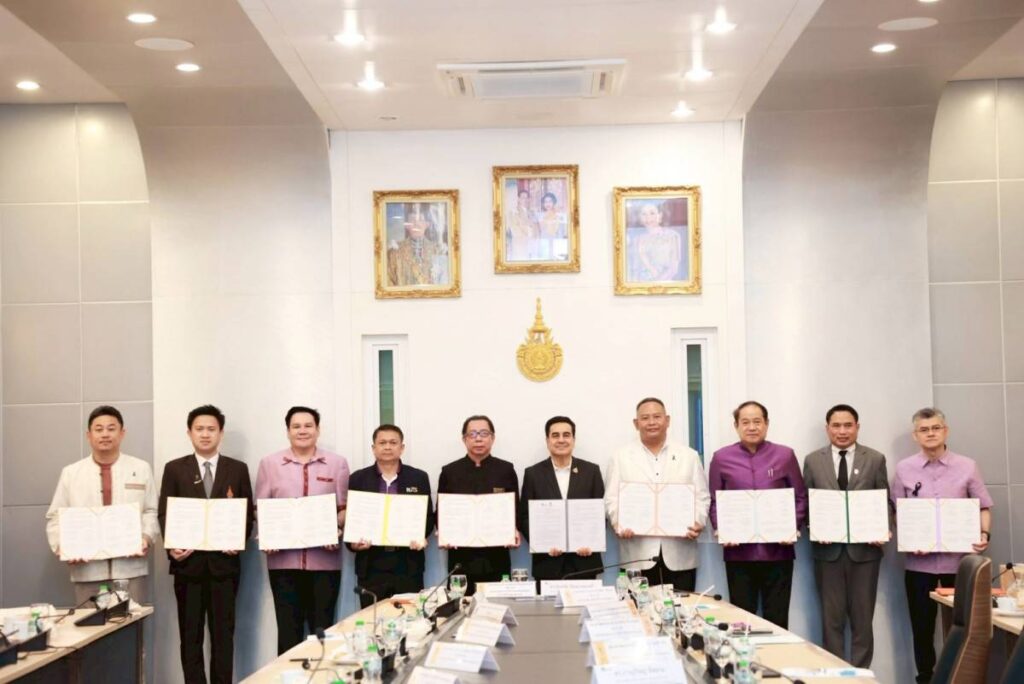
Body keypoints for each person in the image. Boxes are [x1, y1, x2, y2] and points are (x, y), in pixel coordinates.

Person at [892, 407, 992, 684]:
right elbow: (898, 511)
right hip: (919, 564)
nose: (930, 434)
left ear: (945, 431)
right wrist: (911, 538)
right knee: (921, 629)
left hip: (959, 564)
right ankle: (925, 678)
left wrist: (984, 533)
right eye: (924, 430)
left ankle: (959, 678)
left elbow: (983, 506)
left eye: (936, 428)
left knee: (961, 630)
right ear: (915, 435)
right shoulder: (904, 468)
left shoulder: (967, 466)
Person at [158, 405, 254, 684]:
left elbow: (247, 513)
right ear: (189, 433)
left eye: (211, 429)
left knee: (224, 636)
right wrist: (171, 547)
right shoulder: (174, 469)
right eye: (199, 429)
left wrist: (238, 541)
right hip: (188, 565)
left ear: (220, 433)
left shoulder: (237, 469)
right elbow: (165, 513)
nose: (205, 434)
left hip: (225, 566)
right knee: (190, 637)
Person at [255, 406, 349, 654]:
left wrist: (335, 528)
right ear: (288, 431)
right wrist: (268, 536)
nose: (302, 431)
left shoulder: (337, 464)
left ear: (318, 430)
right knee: (288, 634)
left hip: (325, 562)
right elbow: (261, 509)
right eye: (296, 426)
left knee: (323, 633)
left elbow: (344, 509)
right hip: (283, 563)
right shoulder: (269, 464)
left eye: (308, 425)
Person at [802, 404, 890, 668]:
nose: (842, 431)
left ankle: (860, 675)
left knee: (863, 620)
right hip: (827, 552)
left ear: (857, 427)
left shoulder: (875, 459)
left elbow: (883, 500)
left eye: (848, 425)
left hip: (865, 552)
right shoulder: (812, 460)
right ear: (827, 428)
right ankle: (835, 673)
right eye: (836, 426)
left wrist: (882, 528)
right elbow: (807, 502)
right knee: (831, 621)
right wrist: (814, 527)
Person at [45, 405, 160, 603]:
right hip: (86, 569)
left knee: (131, 621)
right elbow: (55, 516)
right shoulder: (71, 473)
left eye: (111, 428)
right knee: (90, 622)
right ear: (89, 435)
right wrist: (64, 546)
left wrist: (146, 537)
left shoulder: (141, 468)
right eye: (99, 429)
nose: (105, 434)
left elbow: (151, 510)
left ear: (122, 433)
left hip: (130, 569)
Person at [708, 400, 807, 628]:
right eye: (745, 422)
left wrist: (792, 527)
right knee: (742, 619)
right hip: (738, 553)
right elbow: (714, 501)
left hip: (778, 551)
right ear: (736, 426)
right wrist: (721, 529)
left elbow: (800, 497)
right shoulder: (721, 458)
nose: (752, 427)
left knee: (777, 618)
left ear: (766, 424)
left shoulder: (785, 455)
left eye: (757, 421)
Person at [604, 398, 710, 591]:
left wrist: (698, 522)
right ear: (636, 423)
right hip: (637, 554)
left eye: (657, 417)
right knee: (638, 608)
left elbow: (701, 497)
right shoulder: (620, 457)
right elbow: (612, 499)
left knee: (682, 608)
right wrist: (619, 523)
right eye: (645, 418)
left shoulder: (689, 456)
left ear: (667, 420)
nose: (651, 422)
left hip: (680, 553)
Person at [347, 424, 434, 607]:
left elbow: (427, 517)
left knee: (409, 618)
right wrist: (353, 544)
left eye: (393, 443)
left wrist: (420, 536)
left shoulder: (418, 477)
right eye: (382, 443)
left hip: (407, 563)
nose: (387, 447)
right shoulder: (358, 479)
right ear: (373, 448)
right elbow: (352, 518)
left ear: (402, 448)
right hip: (371, 564)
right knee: (372, 619)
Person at [437, 415, 520, 595]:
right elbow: (441, 514)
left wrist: (513, 530)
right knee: (460, 607)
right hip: (461, 558)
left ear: (492, 438)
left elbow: (516, 510)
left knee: (498, 606)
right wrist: (444, 532)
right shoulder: (450, 472)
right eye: (472, 434)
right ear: (464, 439)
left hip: (497, 556)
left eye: (484, 433)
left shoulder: (506, 470)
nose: (478, 439)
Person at [519, 416, 605, 584]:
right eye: (555, 435)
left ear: (573, 439)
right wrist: (542, 545)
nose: (561, 440)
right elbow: (524, 517)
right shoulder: (533, 474)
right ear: (547, 440)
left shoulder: (591, 471)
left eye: (566, 435)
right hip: (547, 563)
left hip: (585, 561)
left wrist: (591, 542)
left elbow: (599, 513)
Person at [387, 203, 442, 286]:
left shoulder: (437, 250)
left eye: (421, 219)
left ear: (427, 224)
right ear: (407, 225)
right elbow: (389, 282)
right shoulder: (394, 252)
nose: (417, 224)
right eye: (412, 220)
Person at [628, 202, 684, 282]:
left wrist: (654, 284)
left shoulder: (672, 236)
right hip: (640, 285)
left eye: (652, 213)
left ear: (660, 215)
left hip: (663, 284)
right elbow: (634, 270)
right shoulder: (636, 240)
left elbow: (673, 269)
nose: (648, 218)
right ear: (640, 217)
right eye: (643, 214)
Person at [506, 188, 539, 261]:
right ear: (518, 199)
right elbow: (514, 229)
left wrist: (535, 238)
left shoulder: (532, 212)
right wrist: (527, 237)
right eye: (523, 198)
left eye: (527, 198)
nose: (525, 200)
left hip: (533, 244)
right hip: (520, 243)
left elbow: (536, 227)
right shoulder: (513, 212)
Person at [536, 191, 568, 260]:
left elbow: (563, 232)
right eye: (545, 202)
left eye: (550, 201)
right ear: (543, 204)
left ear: (554, 202)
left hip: (557, 242)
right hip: (544, 242)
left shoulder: (560, 215)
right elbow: (539, 231)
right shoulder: (540, 216)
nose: (548, 204)